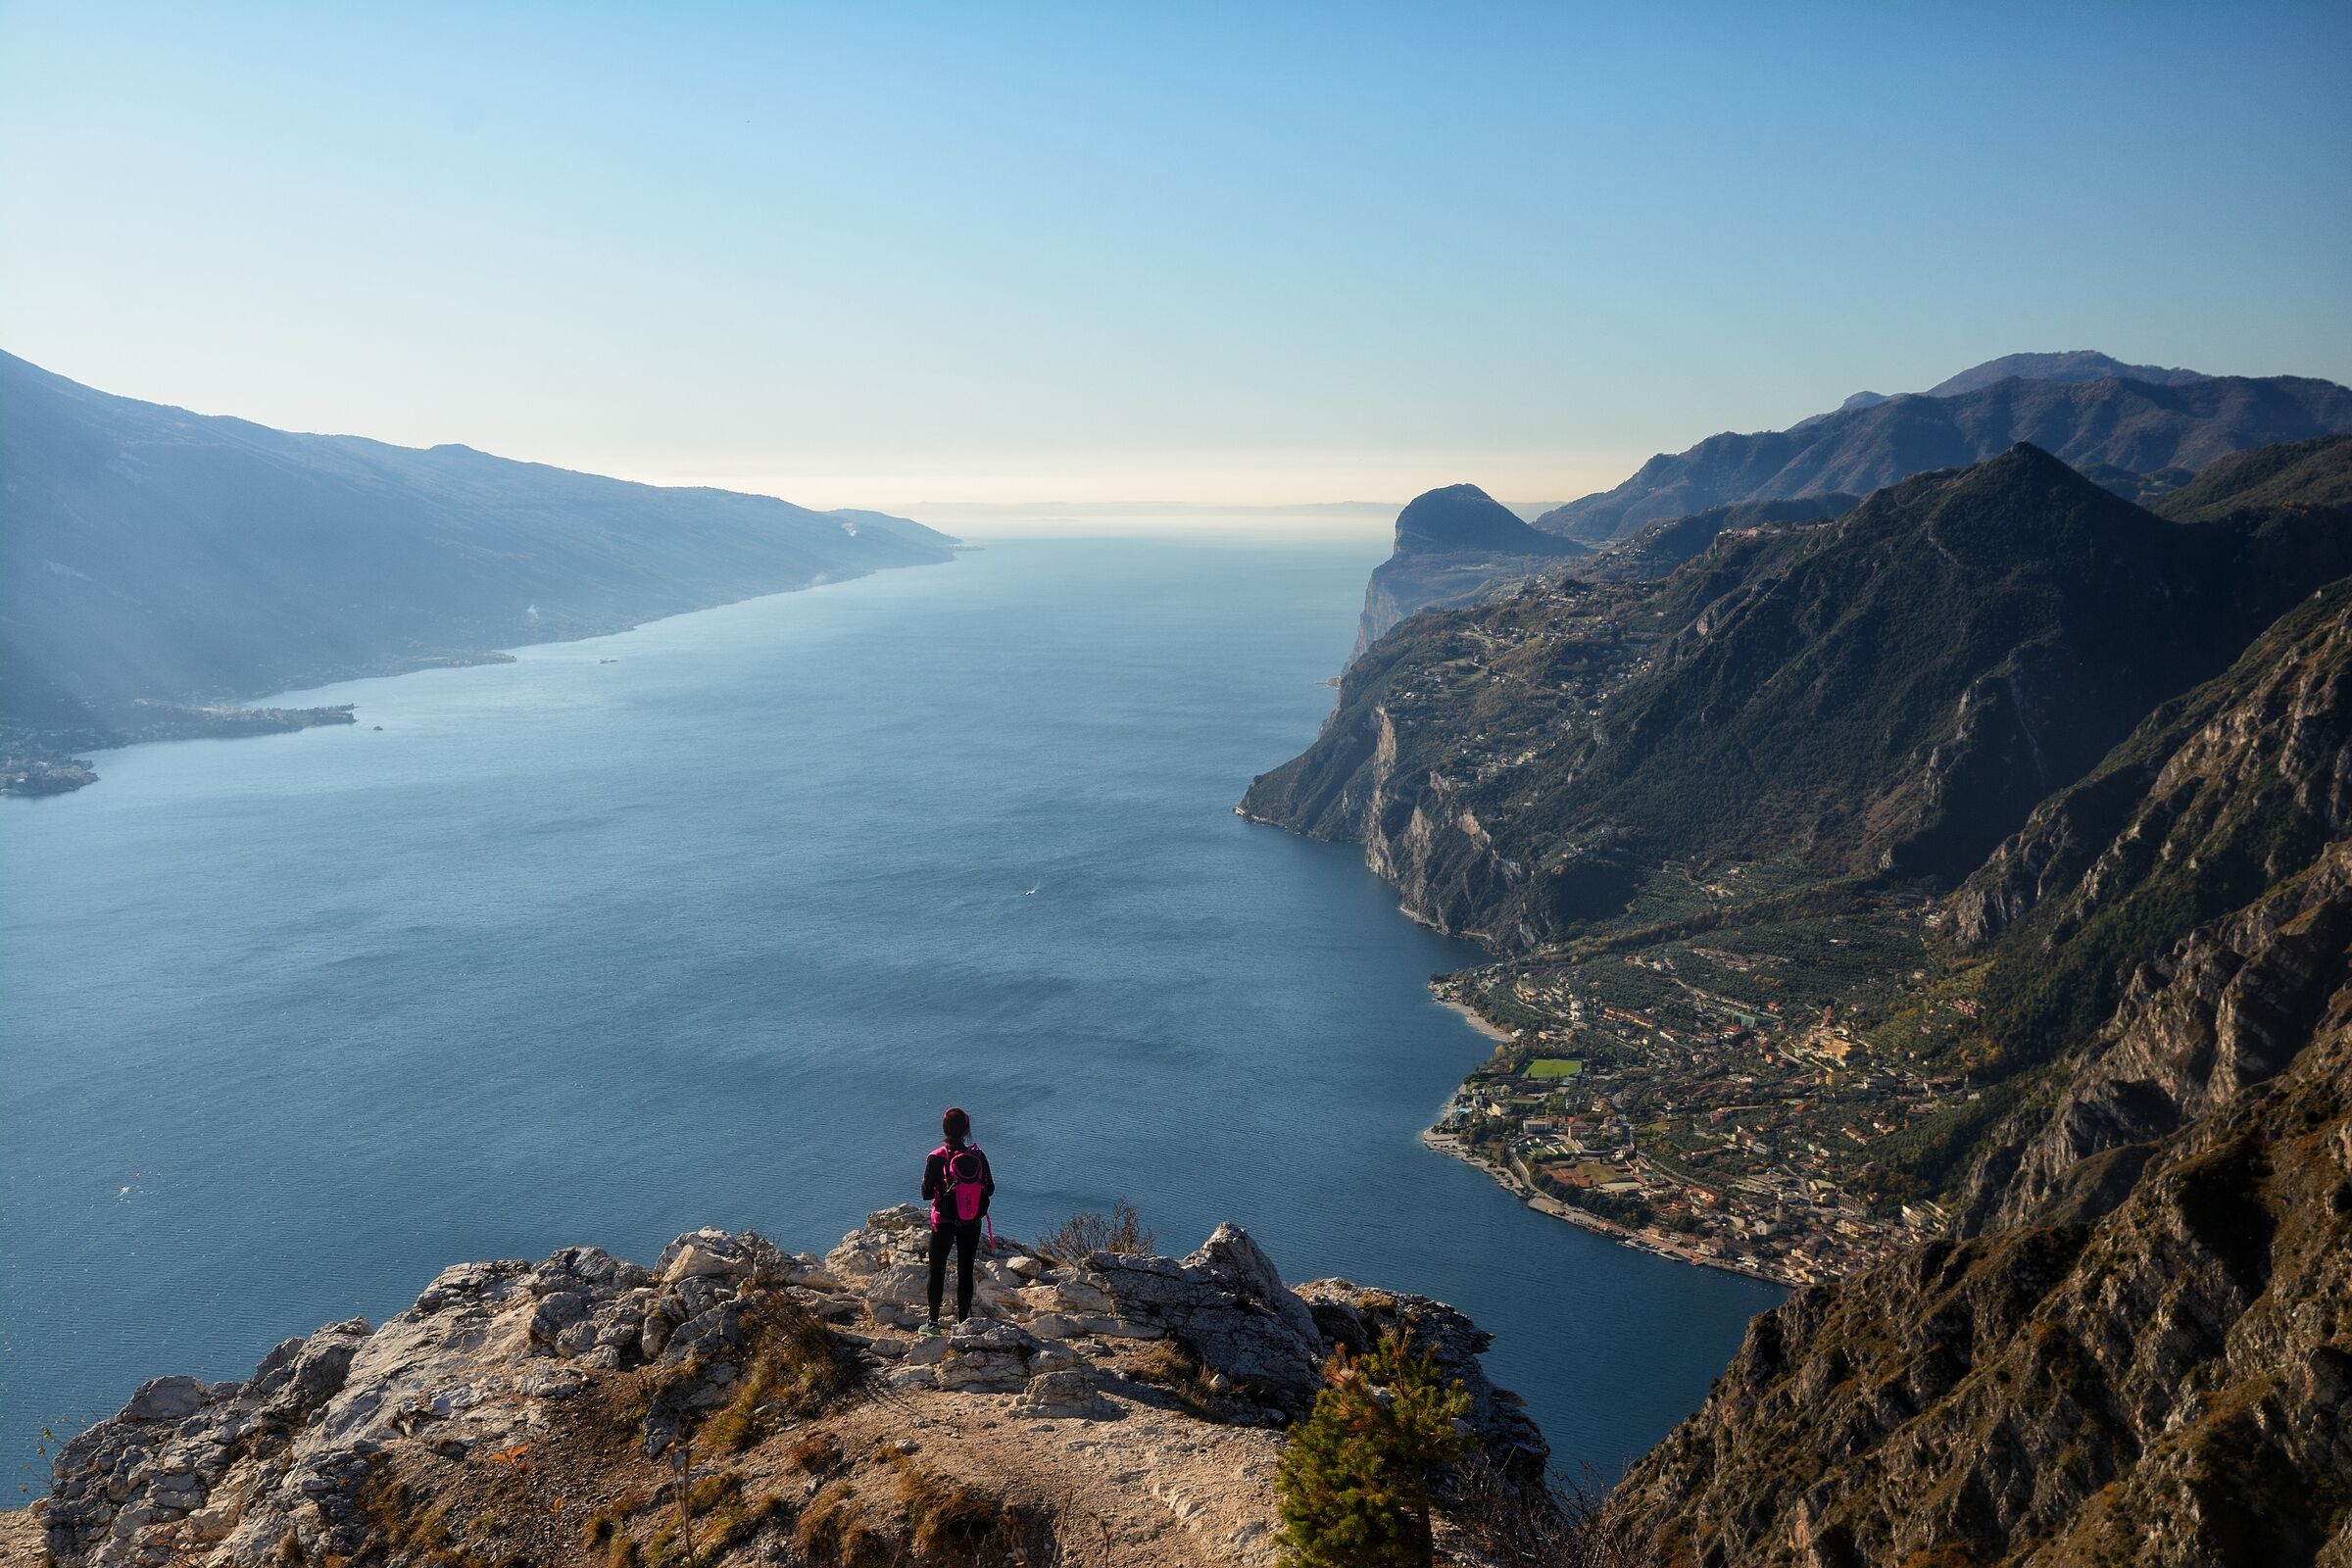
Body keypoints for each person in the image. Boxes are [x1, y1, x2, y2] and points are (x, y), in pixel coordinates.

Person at [920, 1105, 995, 1336]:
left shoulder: (937, 1157)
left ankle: (933, 1324)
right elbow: (990, 1189)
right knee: (965, 1270)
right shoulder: (978, 1156)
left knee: (937, 1270)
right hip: (971, 1222)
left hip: (943, 1222)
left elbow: (926, 1194)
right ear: (966, 1130)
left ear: (944, 1129)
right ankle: (964, 1323)